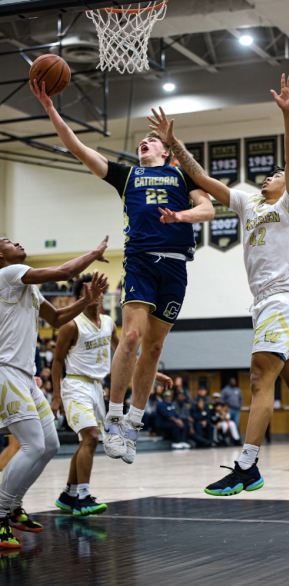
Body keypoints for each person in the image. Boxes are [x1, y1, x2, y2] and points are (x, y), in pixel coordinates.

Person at [149, 72, 289, 500]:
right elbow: (203, 181)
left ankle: (247, 467)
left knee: (258, 377)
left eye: (275, 175)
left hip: (283, 300)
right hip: (265, 304)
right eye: (268, 175)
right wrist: (174, 144)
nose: (270, 177)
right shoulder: (248, 202)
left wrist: (288, 115)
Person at [31, 79, 214, 465]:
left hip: (177, 265)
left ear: (167, 150)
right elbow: (78, 148)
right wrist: (51, 110)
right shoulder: (126, 175)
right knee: (130, 336)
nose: (143, 144)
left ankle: (132, 424)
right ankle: (114, 420)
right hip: (141, 261)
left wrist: (180, 215)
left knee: (155, 347)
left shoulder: (183, 176)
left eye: (151, 142)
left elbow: (209, 209)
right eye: (140, 143)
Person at [0, 235, 109, 549]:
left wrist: (85, 303)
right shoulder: (8, 275)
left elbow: (58, 318)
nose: (17, 242)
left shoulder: (26, 285)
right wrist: (94, 253)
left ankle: (14, 506)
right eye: (8, 241)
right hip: (7, 372)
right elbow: (64, 273)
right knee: (32, 446)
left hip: (25, 375)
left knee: (49, 445)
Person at [51, 274, 120, 517]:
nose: (96, 293)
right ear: (80, 295)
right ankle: (83, 497)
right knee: (90, 437)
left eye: (99, 289)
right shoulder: (72, 324)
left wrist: (155, 375)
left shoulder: (109, 323)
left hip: (96, 387)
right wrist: (56, 396)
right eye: (89, 289)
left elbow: (123, 353)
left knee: (86, 442)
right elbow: (57, 361)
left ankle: (68, 494)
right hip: (75, 385)